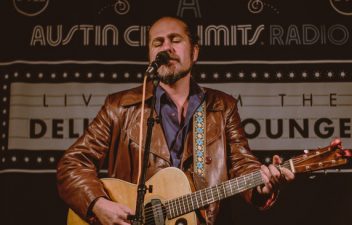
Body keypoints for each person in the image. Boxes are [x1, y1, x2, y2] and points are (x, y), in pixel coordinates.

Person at [56, 16, 295, 225]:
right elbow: (72, 164)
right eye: (157, 43)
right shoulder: (120, 107)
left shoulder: (222, 107)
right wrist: (97, 204)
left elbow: (243, 164)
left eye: (175, 40)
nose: (166, 48)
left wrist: (261, 185)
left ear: (194, 51)